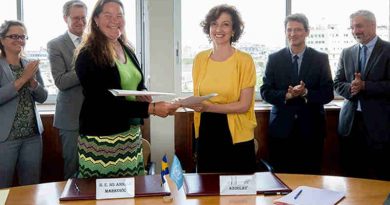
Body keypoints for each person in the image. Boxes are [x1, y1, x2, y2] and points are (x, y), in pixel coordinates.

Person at [74, 0, 179, 178]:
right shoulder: (87, 54)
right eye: (108, 15)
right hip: (102, 137)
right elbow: (103, 102)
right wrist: (151, 109)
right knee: (103, 195)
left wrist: (143, 94)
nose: (114, 20)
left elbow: (134, 82)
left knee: (132, 193)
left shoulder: (126, 48)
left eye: (119, 15)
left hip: (130, 134)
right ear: (96, 20)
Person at [260, 13, 333, 174]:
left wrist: (306, 92)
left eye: (298, 30)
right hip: (281, 129)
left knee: (311, 178)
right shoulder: (274, 58)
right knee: (282, 179)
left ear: (307, 32)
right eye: (289, 30)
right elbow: (265, 91)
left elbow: (328, 93)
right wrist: (287, 96)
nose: (293, 34)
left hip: (312, 129)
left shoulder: (320, 58)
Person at [189, 4, 257, 173]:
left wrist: (209, 107)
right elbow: (197, 97)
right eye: (214, 23)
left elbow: (244, 105)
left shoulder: (244, 60)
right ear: (208, 28)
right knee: (207, 191)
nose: (218, 29)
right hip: (206, 131)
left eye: (225, 24)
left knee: (239, 195)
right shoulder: (200, 59)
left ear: (233, 30)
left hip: (237, 134)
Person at [334, 10, 390, 180]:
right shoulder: (347, 52)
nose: (355, 31)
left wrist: (365, 86)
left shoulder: (388, 50)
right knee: (352, 176)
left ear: (373, 25)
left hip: (380, 125)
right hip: (350, 124)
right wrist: (352, 88)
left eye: (359, 26)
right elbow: (337, 83)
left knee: (381, 177)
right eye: (352, 27)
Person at [0, 20, 48, 188]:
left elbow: (43, 97)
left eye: (22, 36)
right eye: (14, 36)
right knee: (3, 186)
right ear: (2, 39)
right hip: (5, 138)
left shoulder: (30, 65)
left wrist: (34, 83)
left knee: (31, 187)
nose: (19, 40)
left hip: (32, 136)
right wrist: (23, 79)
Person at [47, 0, 87, 179]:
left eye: (84, 18)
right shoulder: (55, 44)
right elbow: (61, 81)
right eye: (76, 18)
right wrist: (87, 68)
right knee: (72, 167)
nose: (81, 22)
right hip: (71, 119)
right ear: (65, 18)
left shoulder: (94, 42)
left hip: (96, 116)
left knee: (93, 167)